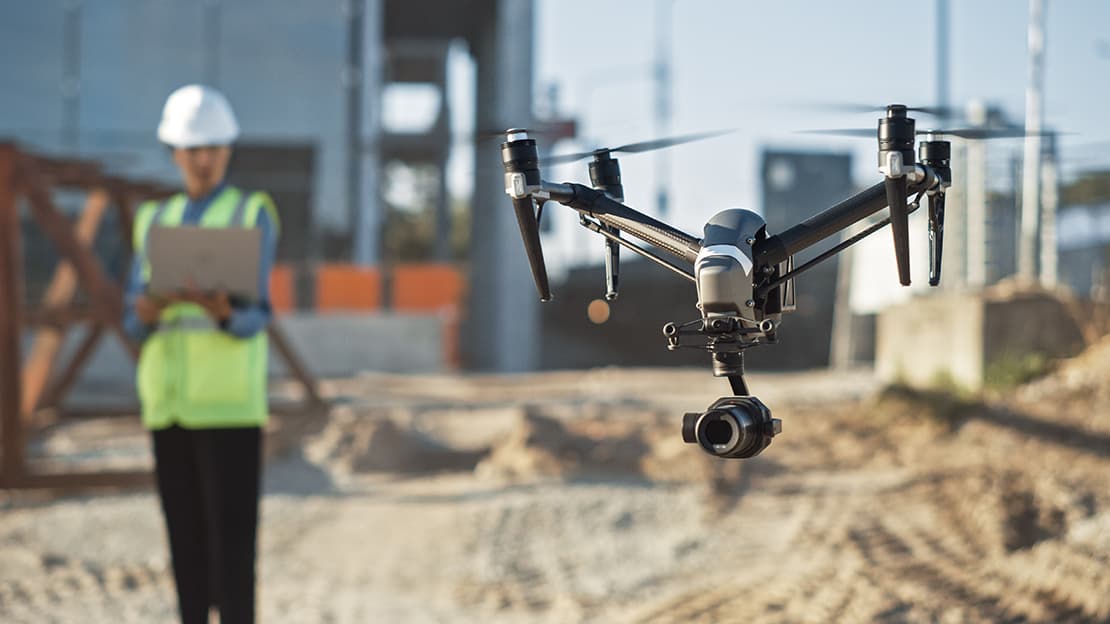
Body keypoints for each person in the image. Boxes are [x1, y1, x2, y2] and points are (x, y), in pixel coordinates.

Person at [122, 84, 279, 624]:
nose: (203, 158)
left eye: (212, 147)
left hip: (230, 408)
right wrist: (142, 313)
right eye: (193, 148)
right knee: (184, 549)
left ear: (227, 150)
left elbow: (261, 314)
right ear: (174, 152)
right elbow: (130, 321)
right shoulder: (151, 222)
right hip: (167, 407)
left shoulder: (250, 212)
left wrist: (223, 313)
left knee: (233, 554)